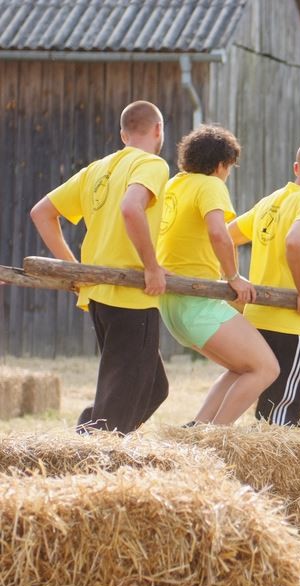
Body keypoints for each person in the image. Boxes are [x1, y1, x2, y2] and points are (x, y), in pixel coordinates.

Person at [29, 100, 169, 435]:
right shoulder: (152, 164)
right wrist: (152, 266)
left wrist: (74, 270)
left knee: (154, 387)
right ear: (158, 129)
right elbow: (131, 208)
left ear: (123, 135)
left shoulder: (97, 170)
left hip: (99, 296)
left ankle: (93, 433)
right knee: (117, 405)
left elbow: (41, 213)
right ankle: (90, 446)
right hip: (130, 296)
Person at [157, 125, 279, 426]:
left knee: (241, 368)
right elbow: (218, 233)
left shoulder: (174, 185)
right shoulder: (210, 185)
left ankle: (198, 429)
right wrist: (233, 276)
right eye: (230, 168)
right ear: (221, 164)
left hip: (171, 304)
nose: (228, 174)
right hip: (197, 302)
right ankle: (217, 435)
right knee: (266, 368)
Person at [228, 140, 300, 426]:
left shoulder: (269, 202)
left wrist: (233, 277)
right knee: (281, 420)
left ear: (296, 168)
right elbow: (295, 241)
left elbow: (227, 236)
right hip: (288, 324)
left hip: (256, 320)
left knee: (269, 411)